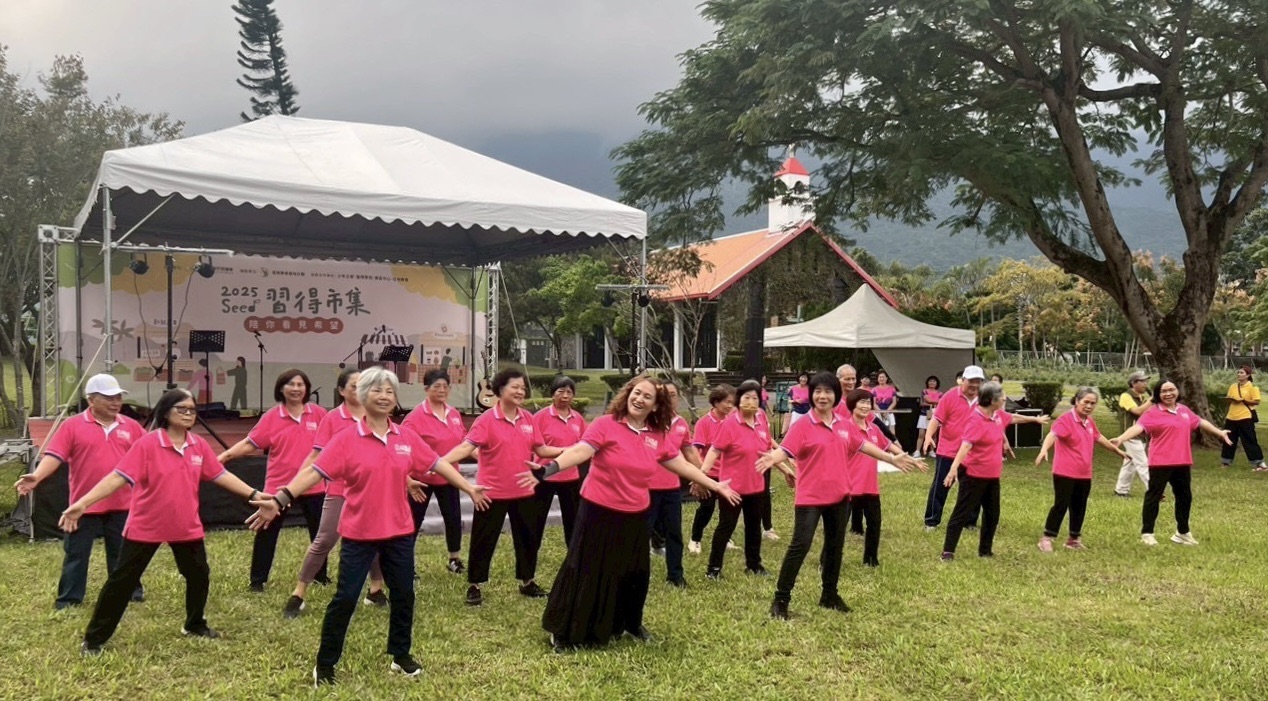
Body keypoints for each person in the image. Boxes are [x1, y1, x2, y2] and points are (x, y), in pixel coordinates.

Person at [247, 367, 488, 686]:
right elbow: (314, 472)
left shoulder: (405, 437)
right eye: (377, 390)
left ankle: (400, 655)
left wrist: (468, 487)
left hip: (399, 533)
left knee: (404, 595)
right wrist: (280, 499)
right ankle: (325, 663)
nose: (384, 396)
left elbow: (438, 463)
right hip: (359, 534)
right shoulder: (346, 439)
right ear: (363, 395)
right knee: (346, 598)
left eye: (389, 391)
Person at [519, 375, 740, 651]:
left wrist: (714, 484)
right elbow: (580, 451)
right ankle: (563, 630)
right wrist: (549, 469)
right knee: (586, 568)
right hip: (598, 509)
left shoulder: (657, 435)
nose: (639, 399)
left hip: (635, 512)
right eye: (637, 393)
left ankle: (628, 623)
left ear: (656, 405)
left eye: (648, 396)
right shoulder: (606, 424)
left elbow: (682, 465)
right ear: (627, 395)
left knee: (634, 572)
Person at [67, 389, 263, 657]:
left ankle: (194, 624)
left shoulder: (198, 445)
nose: (188, 414)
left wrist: (254, 494)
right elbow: (117, 477)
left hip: (186, 526)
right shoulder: (147, 444)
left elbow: (220, 475)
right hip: (145, 526)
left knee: (198, 575)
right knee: (122, 582)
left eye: (192, 410)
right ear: (166, 412)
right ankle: (94, 639)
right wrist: (83, 503)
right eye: (181, 409)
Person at [759, 374, 923, 620]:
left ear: (836, 396)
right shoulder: (803, 425)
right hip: (810, 498)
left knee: (835, 547)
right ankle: (781, 600)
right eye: (817, 391)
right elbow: (785, 449)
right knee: (800, 546)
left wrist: (892, 458)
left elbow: (863, 445)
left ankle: (829, 595)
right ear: (812, 394)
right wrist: (772, 458)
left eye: (828, 391)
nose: (822, 396)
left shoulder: (844, 425)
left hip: (840, 496)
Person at [16, 374, 146, 610]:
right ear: (91, 400)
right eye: (109, 398)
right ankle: (69, 599)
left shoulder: (132, 426)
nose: (115, 402)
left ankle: (129, 592)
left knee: (123, 553)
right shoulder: (72, 426)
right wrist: (37, 476)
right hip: (82, 506)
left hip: (124, 503)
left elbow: (148, 455)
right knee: (76, 554)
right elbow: (54, 455)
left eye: (118, 397)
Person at [440, 368, 564, 606]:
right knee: (483, 540)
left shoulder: (528, 418)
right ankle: (475, 584)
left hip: (524, 491)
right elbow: (466, 448)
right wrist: (439, 463)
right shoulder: (486, 420)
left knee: (527, 539)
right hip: (491, 493)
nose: (520, 391)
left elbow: (541, 449)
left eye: (522, 388)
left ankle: (527, 581)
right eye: (515, 387)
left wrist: (570, 451)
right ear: (500, 389)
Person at [280, 369, 387, 619]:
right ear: (341, 391)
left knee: (375, 539)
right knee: (325, 540)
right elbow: (316, 456)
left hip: (372, 491)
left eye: (364, 386)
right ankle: (299, 593)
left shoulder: (376, 415)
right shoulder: (332, 419)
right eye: (354, 386)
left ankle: (376, 590)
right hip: (339, 490)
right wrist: (293, 486)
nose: (360, 391)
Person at [218, 369, 328, 592]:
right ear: (281, 389)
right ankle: (257, 581)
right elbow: (250, 443)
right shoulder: (272, 416)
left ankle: (320, 576)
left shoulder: (319, 414)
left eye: (300, 384)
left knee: (320, 535)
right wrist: (224, 457)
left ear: (306, 389)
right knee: (266, 533)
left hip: (313, 484)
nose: (295, 389)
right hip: (278, 488)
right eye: (290, 384)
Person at [1111, 379, 1231, 547]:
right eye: (1164, 391)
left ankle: (1182, 533)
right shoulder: (1153, 412)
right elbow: (1138, 427)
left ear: (1177, 391)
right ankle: (1147, 533)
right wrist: (1121, 438)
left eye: (1171, 390)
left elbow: (1199, 421)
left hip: (1182, 461)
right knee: (1154, 497)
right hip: (1160, 462)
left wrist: (1219, 432)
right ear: (1158, 394)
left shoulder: (1183, 410)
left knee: (1185, 497)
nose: (1168, 394)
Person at [939, 382, 1049, 561]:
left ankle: (985, 551)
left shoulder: (997, 415)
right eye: (1002, 396)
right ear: (991, 400)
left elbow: (1013, 418)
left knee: (992, 515)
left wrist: (1035, 420)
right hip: (973, 475)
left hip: (992, 476)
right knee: (961, 513)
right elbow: (965, 446)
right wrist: (953, 469)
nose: (1005, 399)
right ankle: (948, 552)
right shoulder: (975, 420)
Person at [700, 380, 795, 580]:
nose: (751, 402)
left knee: (754, 527)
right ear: (738, 400)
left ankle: (754, 565)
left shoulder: (760, 418)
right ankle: (713, 569)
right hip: (732, 488)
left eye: (755, 398)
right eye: (746, 398)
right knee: (726, 526)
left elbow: (767, 452)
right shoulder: (730, 423)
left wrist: (786, 470)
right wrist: (701, 476)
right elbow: (715, 450)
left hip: (756, 486)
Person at [1035, 388, 1127, 552]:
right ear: (1077, 401)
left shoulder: (1089, 421)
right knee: (1061, 505)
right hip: (1064, 472)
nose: (1089, 406)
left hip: (1084, 473)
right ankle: (1047, 538)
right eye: (1086, 402)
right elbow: (1052, 435)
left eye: (1093, 403)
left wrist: (1117, 451)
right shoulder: (1066, 420)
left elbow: (1098, 437)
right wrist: (1044, 450)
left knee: (1079, 506)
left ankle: (1073, 539)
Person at [400, 370, 469, 573]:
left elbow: (464, 442)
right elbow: (403, 447)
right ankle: (406, 564)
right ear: (426, 389)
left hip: (449, 477)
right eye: (437, 386)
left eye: (445, 386)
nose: (442, 390)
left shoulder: (454, 414)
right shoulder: (415, 417)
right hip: (421, 479)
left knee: (453, 519)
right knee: (413, 521)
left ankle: (454, 559)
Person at [844, 388, 916, 567]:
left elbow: (889, 446)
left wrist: (909, 459)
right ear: (852, 405)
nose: (865, 406)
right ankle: (827, 560)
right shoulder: (844, 428)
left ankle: (871, 560)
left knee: (874, 524)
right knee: (837, 528)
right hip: (848, 487)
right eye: (861, 402)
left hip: (870, 486)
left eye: (868, 402)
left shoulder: (874, 428)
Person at [646, 382, 701, 587]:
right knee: (641, 533)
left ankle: (676, 576)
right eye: (663, 395)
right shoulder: (646, 421)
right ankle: (638, 573)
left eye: (672, 395)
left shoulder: (681, 423)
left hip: (671, 489)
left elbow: (689, 452)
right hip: (645, 488)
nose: (668, 399)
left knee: (674, 533)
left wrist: (701, 476)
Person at [922, 365, 987, 531]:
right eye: (971, 381)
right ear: (963, 380)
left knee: (972, 488)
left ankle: (969, 521)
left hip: (974, 451)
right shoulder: (950, 396)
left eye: (978, 381)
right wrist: (928, 436)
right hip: (948, 450)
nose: (974, 385)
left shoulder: (984, 398)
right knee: (941, 486)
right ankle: (931, 521)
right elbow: (936, 419)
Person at [529, 375, 587, 546]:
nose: (565, 396)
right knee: (536, 519)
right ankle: (530, 553)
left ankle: (573, 555)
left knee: (573, 521)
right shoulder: (540, 417)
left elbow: (585, 445)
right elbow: (535, 446)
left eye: (569, 392)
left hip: (571, 477)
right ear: (552, 394)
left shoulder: (578, 418)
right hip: (545, 475)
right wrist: (568, 451)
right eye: (561, 391)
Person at [688, 384, 735, 555]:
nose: (730, 406)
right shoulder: (704, 423)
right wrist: (699, 476)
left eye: (732, 402)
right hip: (709, 474)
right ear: (716, 402)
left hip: (728, 474)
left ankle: (725, 538)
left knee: (728, 510)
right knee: (706, 508)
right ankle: (695, 539)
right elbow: (695, 450)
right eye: (727, 402)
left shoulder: (732, 421)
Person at [1114, 371, 1153, 496]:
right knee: (1143, 463)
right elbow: (1137, 411)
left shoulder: (1141, 397)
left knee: (1130, 463)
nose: (1145, 384)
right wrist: (1152, 400)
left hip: (1141, 435)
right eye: (1142, 381)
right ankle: (1154, 491)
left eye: (1146, 381)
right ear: (1133, 383)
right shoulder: (1126, 396)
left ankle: (1121, 490)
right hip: (1130, 435)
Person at [1221, 365, 1265, 470]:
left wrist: (1243, 400)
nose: (1239, 374)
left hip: (1245, 417)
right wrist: (1229, 400)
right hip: (1231, 417)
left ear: (1248, 375)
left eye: (1242, 373)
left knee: (1249, 441)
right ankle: (1226, 462)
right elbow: (1229, 399)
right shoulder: (1233, 386)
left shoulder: (1253, 387)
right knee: (1228, 440)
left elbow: (1256, 401)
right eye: (1238, 372)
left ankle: (1258, 463)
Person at [913, 376, 942, 458]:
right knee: (921, 434)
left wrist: (930, 403)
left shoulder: (940, 393)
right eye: (930, 381)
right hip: (924, 414)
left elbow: (941, 402)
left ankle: (931, 451)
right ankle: (917, 451)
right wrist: (936, 402)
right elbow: (926, 400)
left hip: (935, 415)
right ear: (927, 383)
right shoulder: (924, 391)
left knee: (934, 435)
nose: (932, 383)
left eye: (934, 381)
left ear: (937, 383)